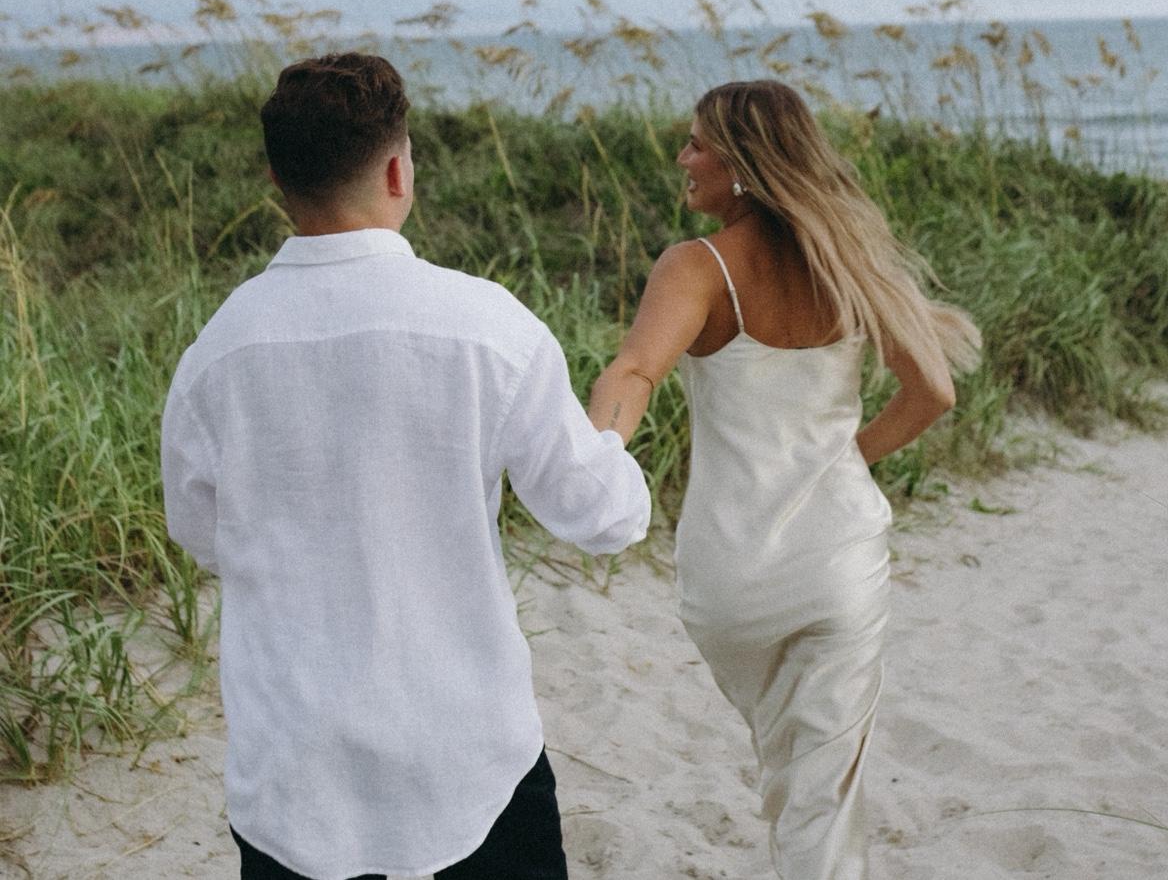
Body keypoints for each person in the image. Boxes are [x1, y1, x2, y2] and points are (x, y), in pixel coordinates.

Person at [161, 53, 650, 880]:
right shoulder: (489, 327)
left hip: (295, 768)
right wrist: (610, 432)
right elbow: (605, 517)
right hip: (468, 753)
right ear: (398, 171)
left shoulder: (217, 353)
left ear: (277, 180)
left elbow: (202, 535)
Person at [588, 79, 979, 879]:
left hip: (728, 574)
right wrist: (846, 461)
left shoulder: (696, 268)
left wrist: (596, 460)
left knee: (791, 769)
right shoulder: (848, 261)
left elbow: (634, 371)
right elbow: (933, 392)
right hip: (837, 556)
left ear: (740, 162)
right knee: (818, 789)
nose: (682, 158)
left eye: (696, 143)